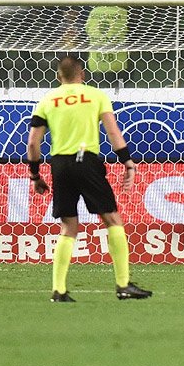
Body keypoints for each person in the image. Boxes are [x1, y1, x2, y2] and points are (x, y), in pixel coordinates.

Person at [26, 54, 151, 302]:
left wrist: (35, 174)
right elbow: (113, 131)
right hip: (86, 160)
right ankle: (123, 284)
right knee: (112, 219)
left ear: (58, 77)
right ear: (82, 74)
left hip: (59, 164)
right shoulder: (96, 95)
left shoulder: (47, 100)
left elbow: (32, 142)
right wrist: (127, 161)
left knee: (68, 226)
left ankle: (59, 290)